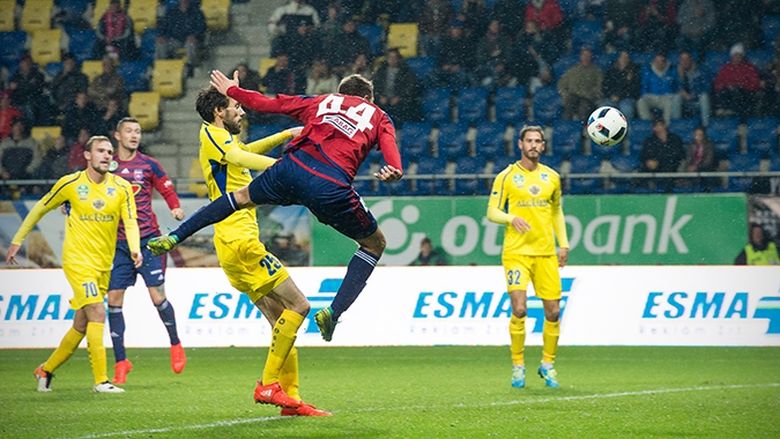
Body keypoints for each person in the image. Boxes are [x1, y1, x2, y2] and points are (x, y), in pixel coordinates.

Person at [147, 72, 403, 343]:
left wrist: (234, 91)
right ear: (368, 98)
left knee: (240, 197)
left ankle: (175, 236)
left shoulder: (323, 101)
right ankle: (333, 312)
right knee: (374, 245)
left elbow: (270, 104)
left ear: (341, 93)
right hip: (330, 186)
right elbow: (392, 156)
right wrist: (394, 171)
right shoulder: (379, 116)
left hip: (292, 168)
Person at [188, 87, 329, 415]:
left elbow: (242, 151)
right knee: (300, 305)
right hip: (241, 243)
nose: (242, 112)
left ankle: (291, 400)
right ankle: (268, 384)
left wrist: (283, 135)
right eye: (236, 106)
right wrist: (281, 167)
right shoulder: (212, 135)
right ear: (219, 111)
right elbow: (240, 158)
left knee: (281, 320)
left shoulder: (221, 139)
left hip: (232, 243)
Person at [6, 135, 140, 393]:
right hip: (78, 261)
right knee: (98, 312)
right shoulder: (70, 184)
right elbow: (40, 208)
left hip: (104, 264)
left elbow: (131, 221)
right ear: (87, 155)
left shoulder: (122, 187)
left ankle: (45, 370)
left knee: (81, 324)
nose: (106, 155)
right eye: (100, 151)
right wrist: (18, 240)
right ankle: (101, 381)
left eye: (109, 151)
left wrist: (134, 248)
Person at [486, 125, 569, 389]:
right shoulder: (507, 176)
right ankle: (518, 365)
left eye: (538, 141)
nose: (533, 145)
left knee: (553, 312)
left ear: (543, 146)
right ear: (520, 144)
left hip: (545, 253)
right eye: (529, 140)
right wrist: (511, 218)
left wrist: (563, 244)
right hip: (517, 253)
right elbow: (492, 212)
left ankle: (547, 364)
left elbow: (556, 212)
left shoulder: (552, 177)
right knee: (519, 309)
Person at [107, 117, 187, 384]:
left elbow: (166, 187)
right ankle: (121, 362)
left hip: (148, 240)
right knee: (114, 300)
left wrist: (175, 207)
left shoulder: (149, 164)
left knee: (157, 296)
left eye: (138, 131)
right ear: (118, 135)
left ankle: (175, 344)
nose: (134, 135)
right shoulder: (108, 165)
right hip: (119, 244)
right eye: (129, 131)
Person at [557, 47, 603, 121]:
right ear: (580, 56)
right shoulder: (573, 70)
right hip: (572, 96)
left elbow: (599, 87)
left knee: (584, 107)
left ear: (591, 57)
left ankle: (582, 125)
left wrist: (591, 94)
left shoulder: (596, 71)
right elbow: (561, 83)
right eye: (584, 55)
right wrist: (565, 94)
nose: (586, 58)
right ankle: (567, 125)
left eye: (588, 56)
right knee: (568, 104)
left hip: (587, 98)